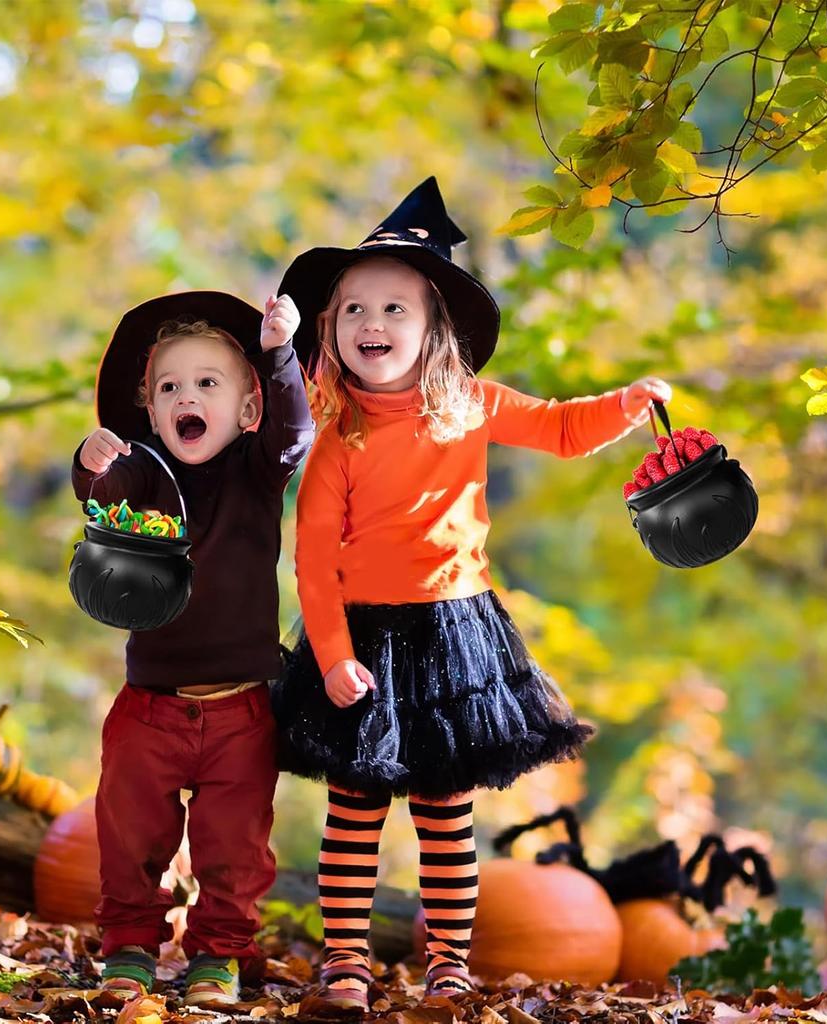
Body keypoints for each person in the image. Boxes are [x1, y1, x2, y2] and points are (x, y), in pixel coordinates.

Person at [272, 178, 671, 1009]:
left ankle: (448, 954)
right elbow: (313, 560)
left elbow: (562, 428)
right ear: (329, 331)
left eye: (393, 309)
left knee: (445, 810)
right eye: (352, 311)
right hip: (364, 638)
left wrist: (628, 406)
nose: (371, 325)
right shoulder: (339, 436)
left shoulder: (472, 407)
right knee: (355, 807)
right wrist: (336, 657)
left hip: (456, 630)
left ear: (434, 327)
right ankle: (345, 957)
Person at [71, 291, 313, 1005]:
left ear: (245, 410)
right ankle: (130, 949)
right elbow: (100, 493)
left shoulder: (257, 469)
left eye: (209, 383)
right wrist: (90, 462)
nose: (187, 396)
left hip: (241, 711)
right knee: (130, 838)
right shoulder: (147, 471)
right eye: (170, 386)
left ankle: (217, 954)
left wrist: (277, 355)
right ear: (149, 410)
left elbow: (293, 429)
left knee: (234, 848)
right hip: (149, 707)